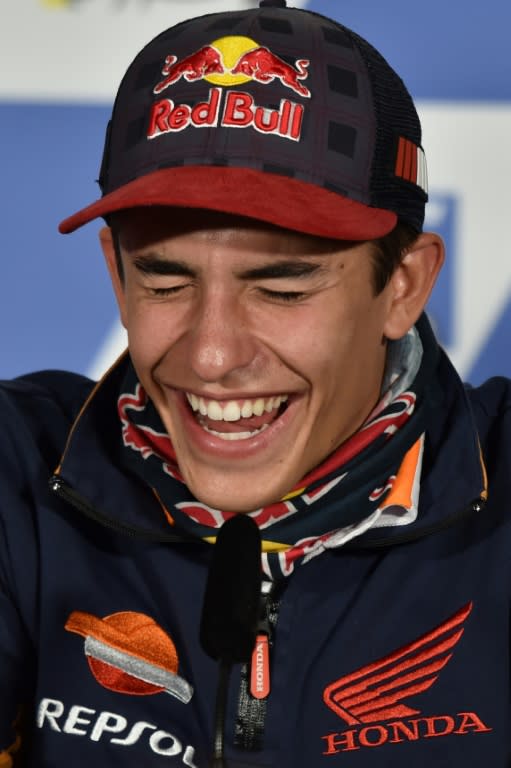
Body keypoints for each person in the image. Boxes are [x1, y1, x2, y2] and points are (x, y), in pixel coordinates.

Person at [1, 0, 510, 765]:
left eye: (281, 289)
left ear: (403, 286)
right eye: (164, 282)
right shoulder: (17, 470)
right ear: (115, 274)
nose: (210, 355)